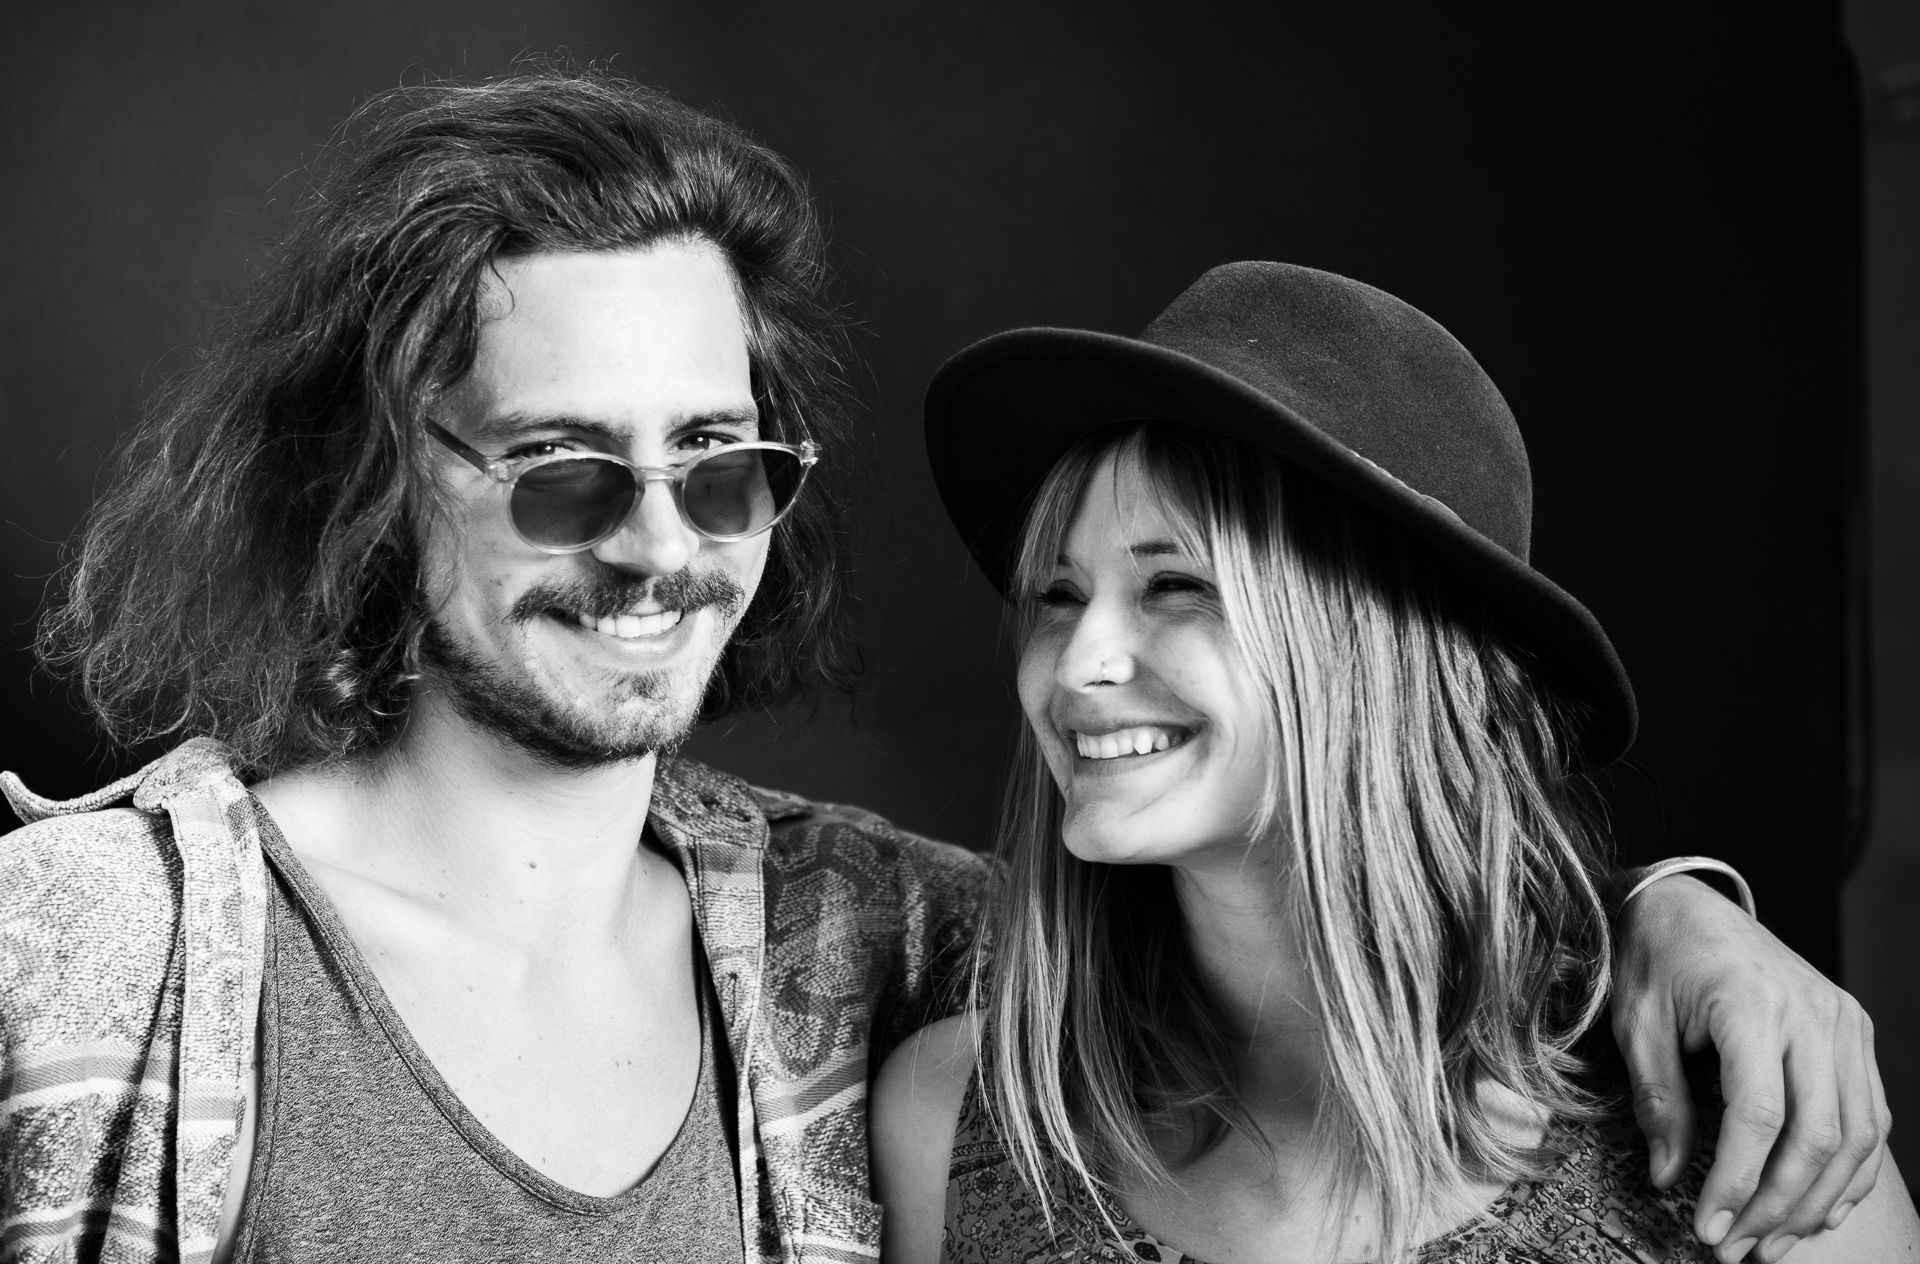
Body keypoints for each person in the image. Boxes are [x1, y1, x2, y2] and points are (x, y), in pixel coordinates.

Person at [0, 70, 1884, 1264]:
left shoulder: (873, 943)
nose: (658, 546)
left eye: (716, 462)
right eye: (562, 468)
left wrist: (1675, 921)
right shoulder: (85, 956)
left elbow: (1339, 938)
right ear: (370, 480)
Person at [876, 262, 1917, 1263]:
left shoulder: (1759, 1134)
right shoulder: (961, 1127)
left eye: (1176, 585)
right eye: (1059, 595)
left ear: (1384, 649)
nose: (1077, 663)